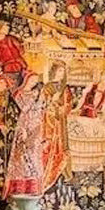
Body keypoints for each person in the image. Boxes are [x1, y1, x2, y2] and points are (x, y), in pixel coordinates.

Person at [4, 73, 46, 199]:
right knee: (21, 157)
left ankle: (32, 186)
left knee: (34, 155)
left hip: (36, 126)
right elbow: (24, 108)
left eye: (36, 81)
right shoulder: (19, 93)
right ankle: (19, 186)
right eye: (32, 80)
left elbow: (41, 109)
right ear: (26, 80)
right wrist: (36, 97)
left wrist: (41, 98)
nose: (33, 83)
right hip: (24, 125)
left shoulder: (36, 93)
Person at [39, 62, 72, 191]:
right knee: (50, 147)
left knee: (62, 148)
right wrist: (53, 101)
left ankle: (65, 176)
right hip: (50, 123)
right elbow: (42, 105)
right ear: (54, 72)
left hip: (61, 123)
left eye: (63, 72)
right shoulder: (47, 88)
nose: (61, 74)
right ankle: (48, 177)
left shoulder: (65, 89)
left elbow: (68, 105)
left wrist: (63, 108)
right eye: (59, 71)